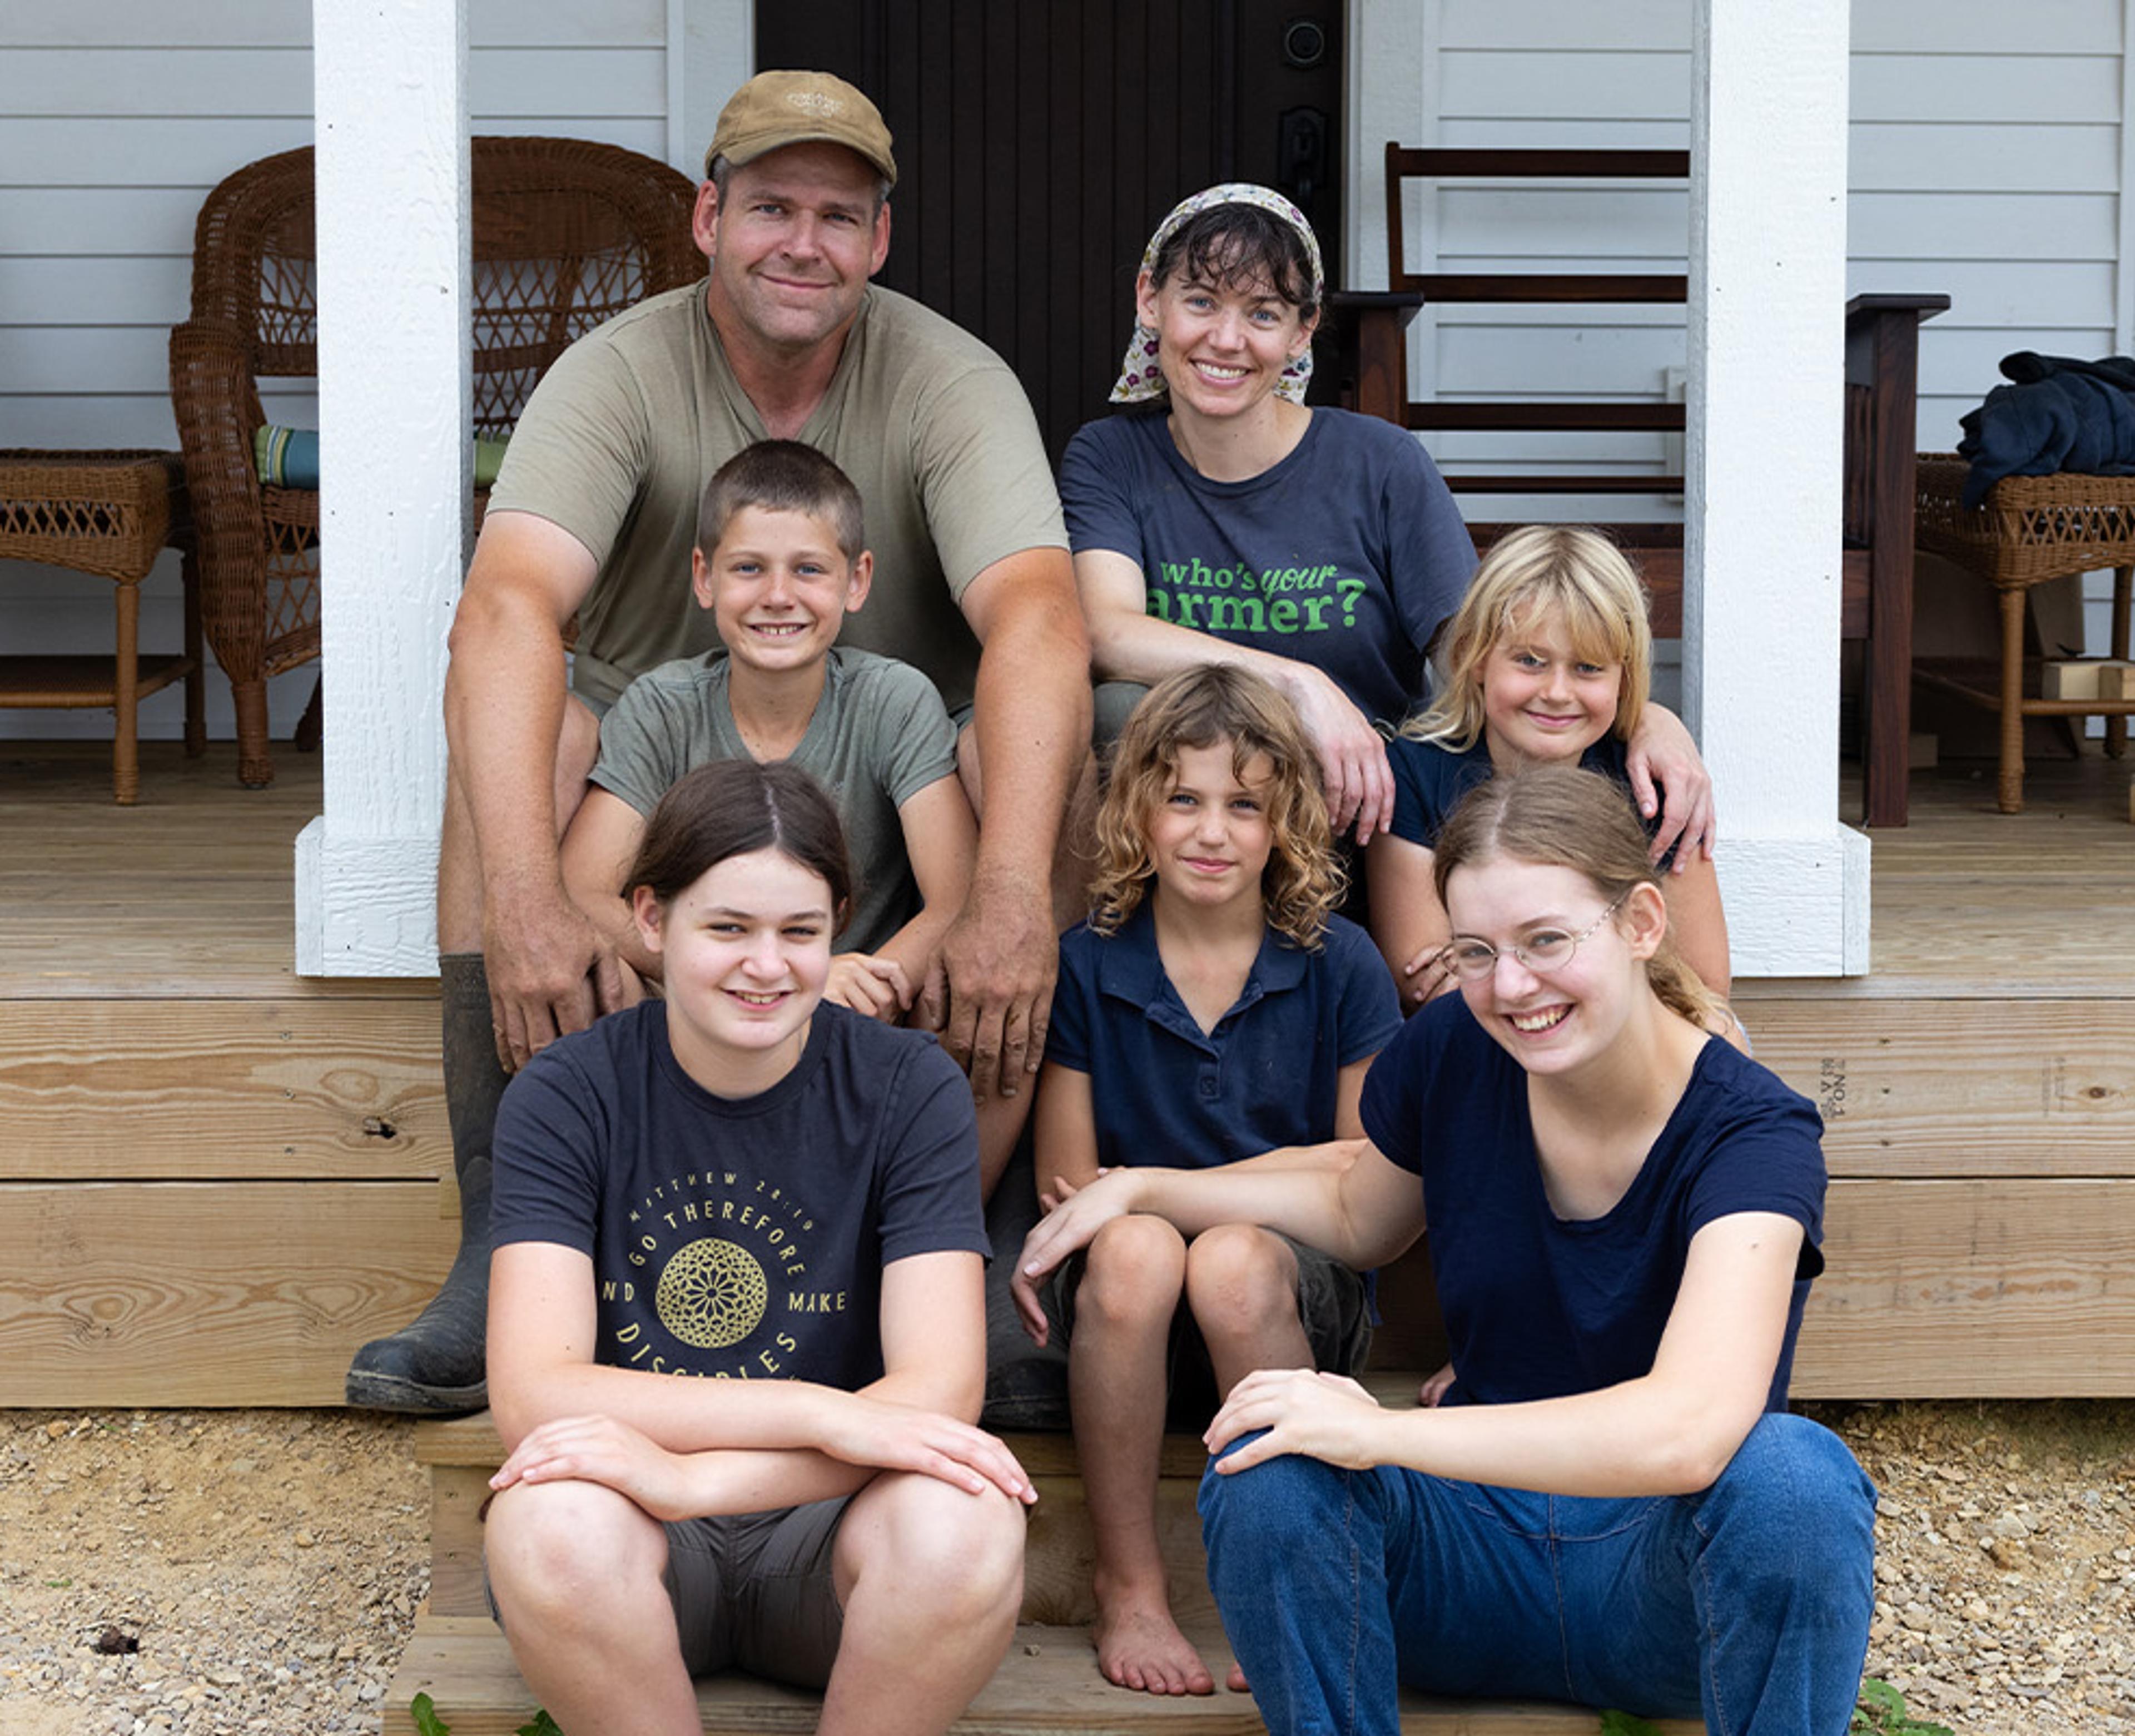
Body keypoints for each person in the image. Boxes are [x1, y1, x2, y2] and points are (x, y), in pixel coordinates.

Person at [349, 69, 1090, 1412]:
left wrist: (1006, 899)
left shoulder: (946, 379)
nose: (801, 243)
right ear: (707, 217)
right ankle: (500, 1236)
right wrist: (530, 899)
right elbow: (509, 602)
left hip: (885, 752)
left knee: (1046, 746)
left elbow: (1037, 615)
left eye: (837, 215)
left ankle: (969, 1237)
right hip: (665, 747)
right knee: (518, 721)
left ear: (878, 239)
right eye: (769, 209)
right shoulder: (620, 372)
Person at [1014, 764, 1876, 1735]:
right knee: (1270, 1451)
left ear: (1640, 923)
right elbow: (1354, 1208)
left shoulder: (1752, 1130)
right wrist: (1141, 1185)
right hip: (1469, 1559)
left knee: (1797, 1478)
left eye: (1547, 940)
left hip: (1665, 1587)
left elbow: (1691, 1426)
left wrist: (1384, 1432)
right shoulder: (1465, 1048)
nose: (1512, 986)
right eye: (1476, 951)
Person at [482, 759, 1035, 1736]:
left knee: (967, 1521)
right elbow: (535, 1392)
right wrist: (832, 1414)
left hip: (830, 1538)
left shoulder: (908, 1087)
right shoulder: (569, 1091)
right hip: (634, 1538)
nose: (766, 966)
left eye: (801, 931)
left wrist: (702, 1478)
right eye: (728, 928)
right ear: (651, 920)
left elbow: (939, 1395)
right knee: (550, 1520)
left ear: (841, 926)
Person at [1059, 183, 1714, 852]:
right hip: (1193, 817)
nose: (1226, 340)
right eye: (1200, 302)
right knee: (1108, 711)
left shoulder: (1381, 463)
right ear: (1150, 300)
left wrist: (1648, 718)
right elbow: (1108, 632)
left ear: (1302, 331)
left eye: (1262, 313)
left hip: (1358, 812)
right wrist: (1297, 681)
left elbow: (1479, 652)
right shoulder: (1111, 457)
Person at [1021, 665, 1399, 1698]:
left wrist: (1153, 1185)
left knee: (1229, 1260)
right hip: (1122, 1317)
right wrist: (1135, 1202)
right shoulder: (1091, 965)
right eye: (1183, 797)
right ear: (1137, 807)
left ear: (1287, 820)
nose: (1212, 830)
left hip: (1283, 1309)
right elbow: (1071, 1185)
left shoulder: (1339, 961)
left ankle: (1278, 1570)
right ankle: (1131, 1582)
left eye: (1245, 803)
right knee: (1137, 1246)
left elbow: (1365, 1176)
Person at [555, 442, 1024, 1196]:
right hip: (704, 1001)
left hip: (866, 1009)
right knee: (587, 983)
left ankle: (950, 1238)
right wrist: (724, 981)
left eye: (809, 569)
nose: (779, 595)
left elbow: (955, 898)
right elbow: (583, 893)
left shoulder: (892, 701)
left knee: (992, 988)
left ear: (857, 580)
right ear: (704, 578)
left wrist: (834, 987)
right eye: (748, 568)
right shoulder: (663, 708)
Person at [1369, 524, 1735, 1015]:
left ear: (1625, 678)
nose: (1558, 692)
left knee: (1726, 1039)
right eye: (1530, 661)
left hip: (1626, 1051)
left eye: (1588, 668)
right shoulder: (1414, 773)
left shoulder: (1655, 785)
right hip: (1483, 1049)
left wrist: (1491, 963)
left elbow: (1703, 989)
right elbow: (1424, 981)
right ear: (1475, 659)